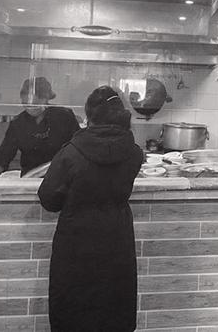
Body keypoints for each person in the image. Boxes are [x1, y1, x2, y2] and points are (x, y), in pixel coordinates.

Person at [38, 85, 143, 332]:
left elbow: (49, 199)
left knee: (73, 311)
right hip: (117, 240)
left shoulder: (72, 152)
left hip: (76, 243)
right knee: (114, 309)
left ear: (89, 116)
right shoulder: (134, 153)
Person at [0, 77, 80, 177]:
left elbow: (78, 147)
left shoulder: (64, 117)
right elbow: (3, 155)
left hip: (61, 177)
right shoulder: (18, 123)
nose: (30, 108)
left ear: (46, 99)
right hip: (30, 179)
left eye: (35, 104)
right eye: (26, 104)